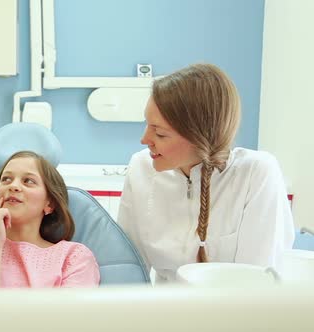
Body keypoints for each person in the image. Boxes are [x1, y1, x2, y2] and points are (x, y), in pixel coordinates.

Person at [117, 63, 295, 283]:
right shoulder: (141, 167)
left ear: (200, 137)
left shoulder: (256, 173)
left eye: (160, 134)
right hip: (164, 312)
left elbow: (257, 281)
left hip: (234, 312)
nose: (145, 140)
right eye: (147, 124)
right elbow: (129, 268)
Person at [0, 151, 100, 288]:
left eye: (28, 181)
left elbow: (68, 318)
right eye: (6, 179)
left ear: (50, 204)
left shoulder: (74, 257)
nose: (13, 186)